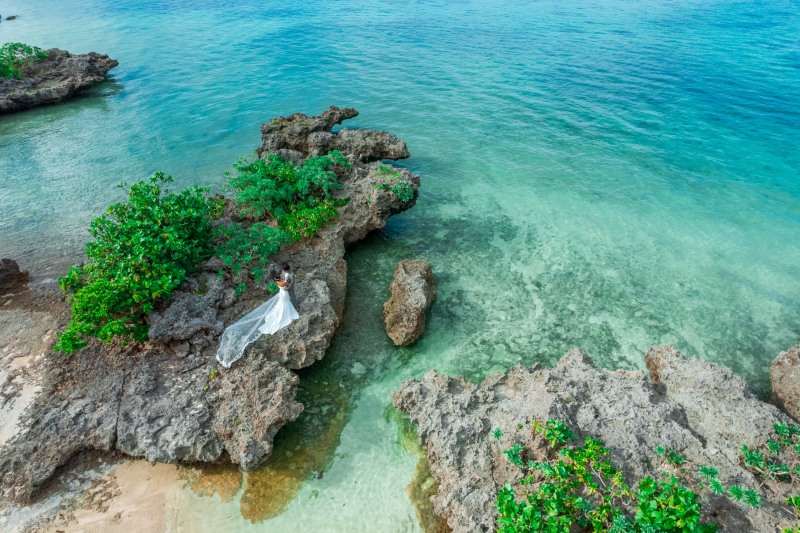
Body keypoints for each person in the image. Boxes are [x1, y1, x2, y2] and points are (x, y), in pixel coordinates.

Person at [215, 275, 300, 368]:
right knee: (282, 307)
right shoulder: (282, 283)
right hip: (283, 295)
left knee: (282, 306)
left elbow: (286, 284)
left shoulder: (280, 282)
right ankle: (285, 315)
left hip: (283, 295)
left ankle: (286, 312)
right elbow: (286, 284)